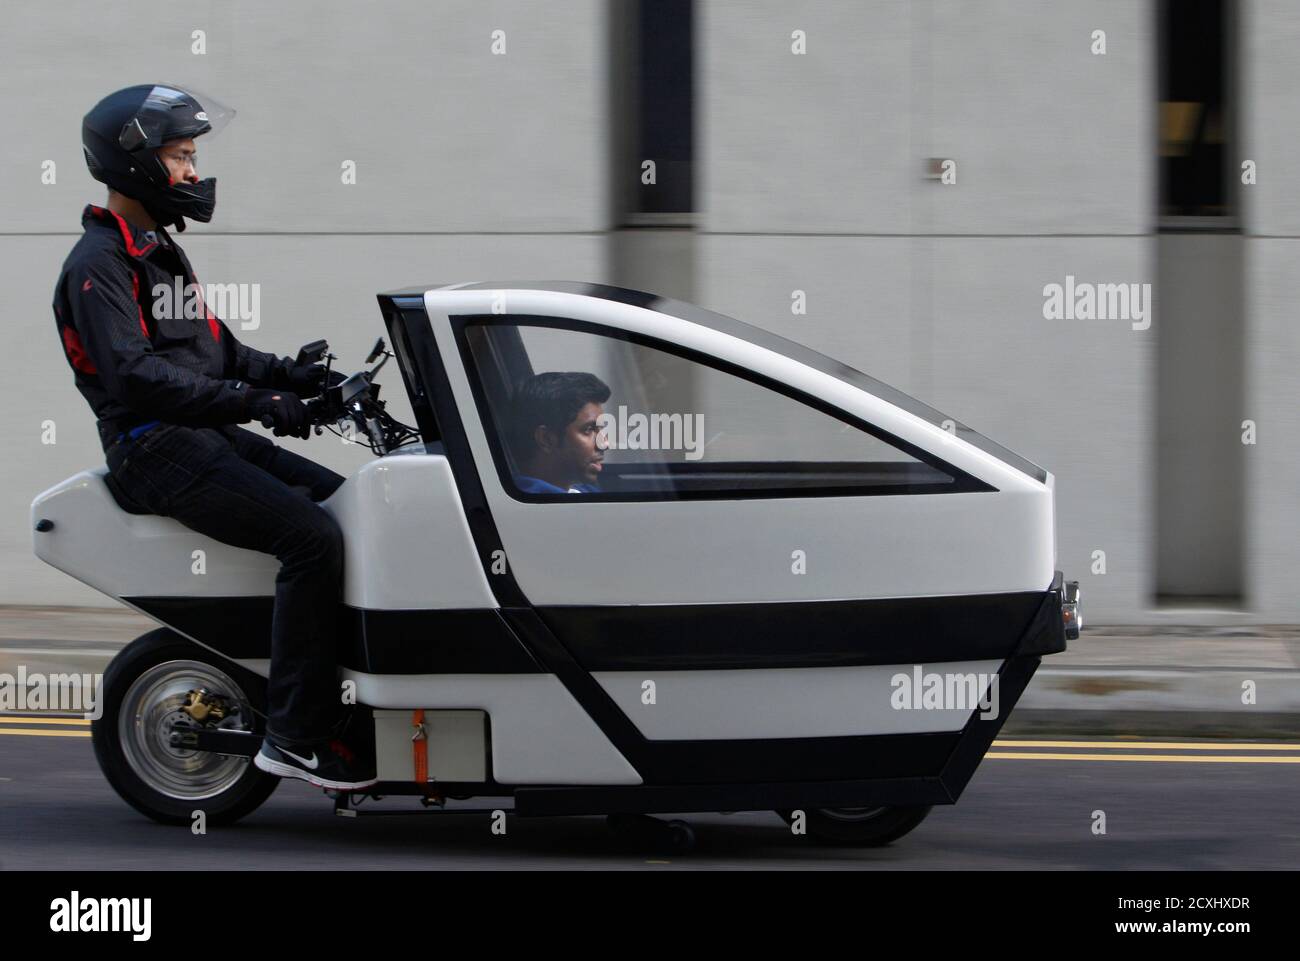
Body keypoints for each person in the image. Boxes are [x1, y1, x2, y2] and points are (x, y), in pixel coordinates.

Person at [52, 84, 374, 790]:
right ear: (135, 162)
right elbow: (138, 378)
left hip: (203, 432)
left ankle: (341, 701)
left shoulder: (158, 250)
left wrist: (301, 380)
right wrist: (261, 401)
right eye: (181, 156)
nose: (195, 173)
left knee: (355, 508)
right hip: (154, 446)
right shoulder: (98, 266)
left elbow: (219, 351)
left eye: (193, 156)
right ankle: (293, 735)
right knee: (311, 539)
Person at [509, 371, 610, 493]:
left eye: (601, 429)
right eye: (588, 430)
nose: (604, 443)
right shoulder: (535, 504)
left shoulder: (580, 491)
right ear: (546, 439)